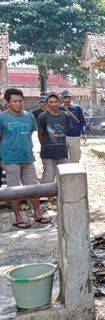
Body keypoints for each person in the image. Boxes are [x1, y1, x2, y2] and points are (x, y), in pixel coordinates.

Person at [0, 88, 51, 228]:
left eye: (20, 101)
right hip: (10, 159)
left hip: (28, 158)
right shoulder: (2, 117)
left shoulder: (29, 116)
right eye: (14, 101)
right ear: (7, 103)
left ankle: (37, 214)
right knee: (13, 190)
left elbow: (31, 135)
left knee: (33, 188)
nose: (18, 103)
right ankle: (18, 217)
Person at [38, 92, 71, 184]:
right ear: (47, 103)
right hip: (48, 153)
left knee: (64, 178)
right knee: (48, 177)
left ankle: (61, 197)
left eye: (56, 102)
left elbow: (66, 132)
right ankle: (47, 197)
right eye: (51, 102)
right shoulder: (42, 117)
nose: (54, 104)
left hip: (63, 152)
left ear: (60, 102)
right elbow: (40, 134)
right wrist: (46, 145)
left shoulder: (65, 116)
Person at [60, 90, 87, 163]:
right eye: (65, 98)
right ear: (62, 99)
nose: (67, 99)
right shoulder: (59, 109)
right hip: (62, 136)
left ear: (71, 98)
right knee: (62, 158)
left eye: (69, 98)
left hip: (75, 136)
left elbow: (82, 121)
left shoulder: (77, 108)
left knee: (75, 158)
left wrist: (84, 133)